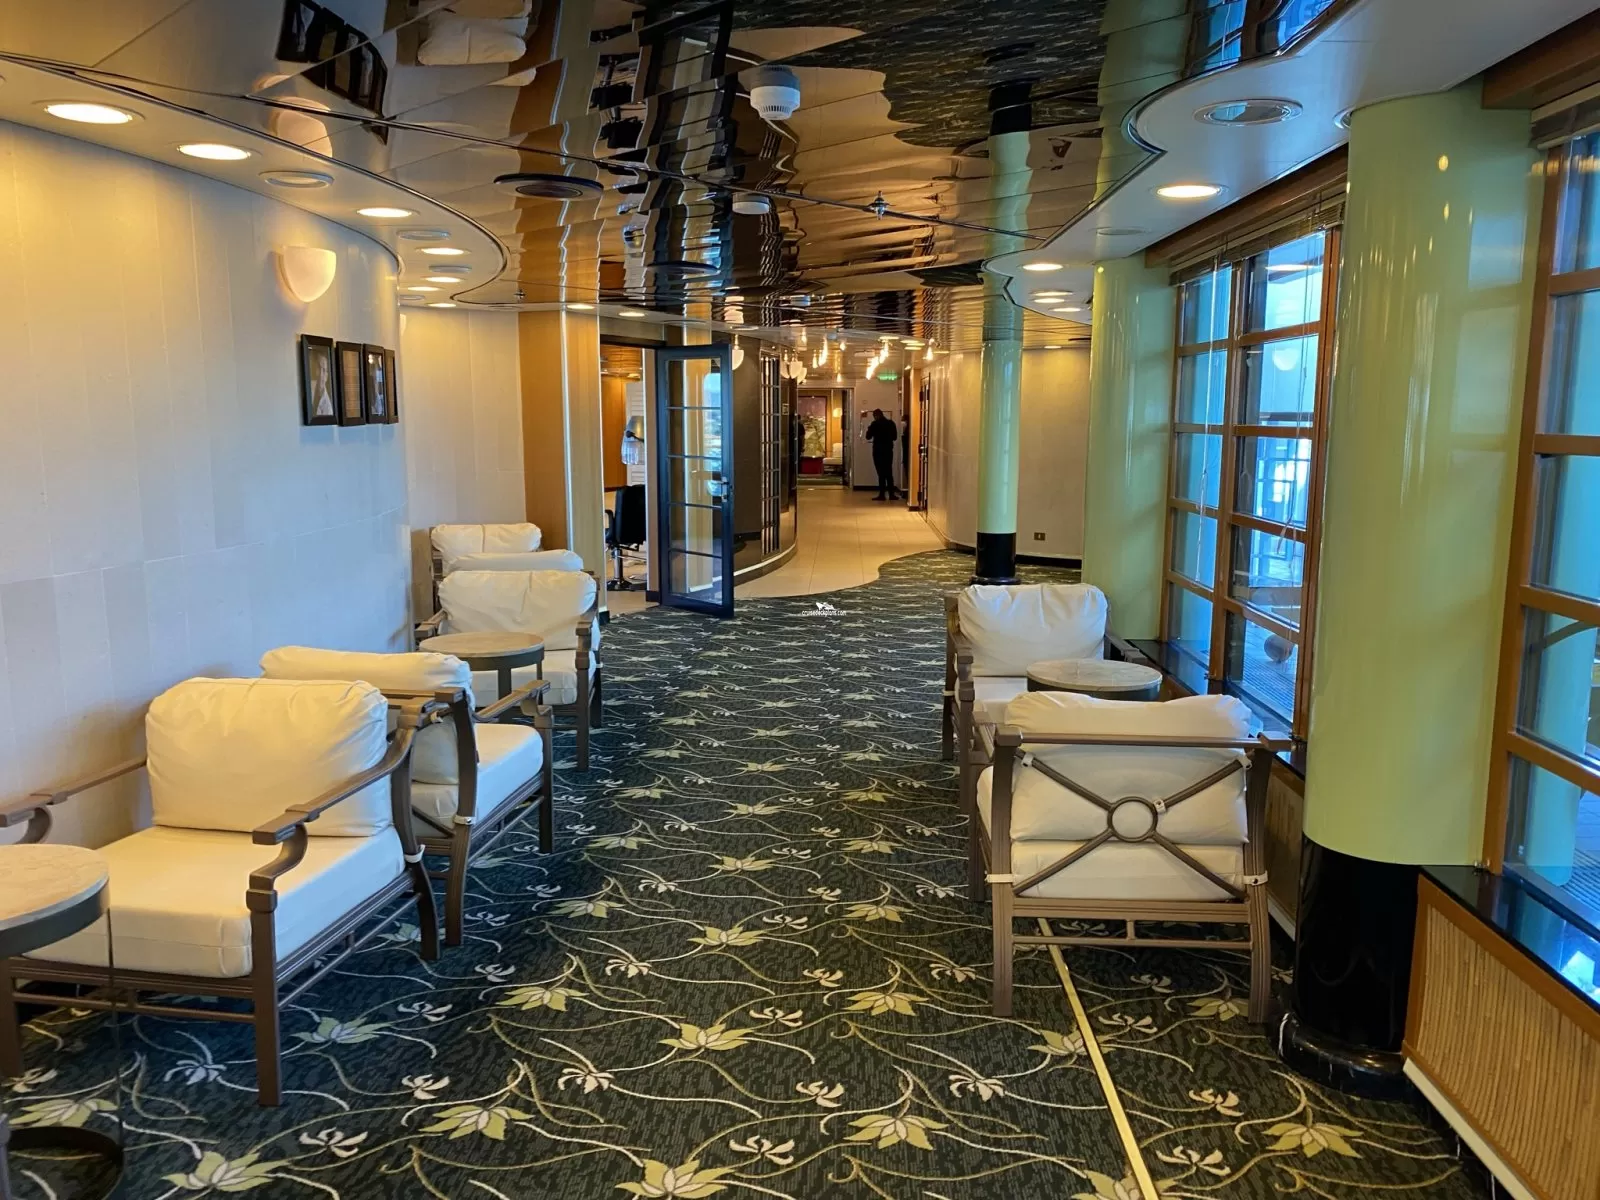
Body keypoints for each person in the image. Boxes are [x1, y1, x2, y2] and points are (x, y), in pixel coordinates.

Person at [864, 408, 899, 501]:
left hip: (878, 451)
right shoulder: (891, 423)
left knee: (881, 473)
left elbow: (868, 437)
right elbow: (895, 437)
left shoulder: (874, 424)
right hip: (888, 451)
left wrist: (869, 429)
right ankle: (891, 494)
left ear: (876, 416)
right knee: (889, 473)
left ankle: (882, 494)